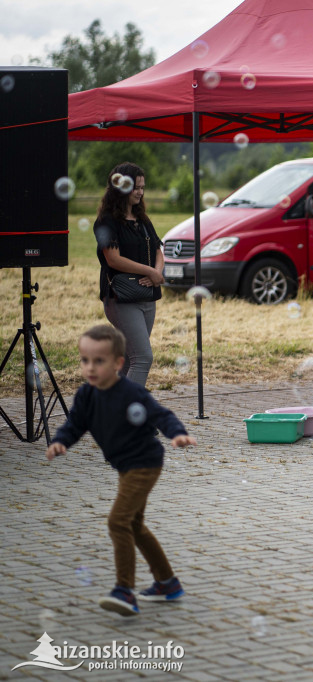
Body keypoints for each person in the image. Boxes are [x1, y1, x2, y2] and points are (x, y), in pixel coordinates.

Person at [46, 325, 197, 616]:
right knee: (134, 526)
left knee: (118, 522)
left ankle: (124, 591)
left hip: (144, 464)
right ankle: (167, 583)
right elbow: (75, 424)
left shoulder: (130, 392)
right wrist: (60, 441)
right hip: (126, 466)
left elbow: (160, 414)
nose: (90, 367)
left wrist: (176, 433)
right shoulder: (86, 395)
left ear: (117, 363)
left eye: (99, 361)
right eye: (84, 360)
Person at [94, 162, 163, 387]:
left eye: (142, 187)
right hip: (120, 298)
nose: (140, 192)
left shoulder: (142, 219)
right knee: (143, 358)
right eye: (135, 187)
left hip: (146, 296)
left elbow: (158, 249)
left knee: (128, 362)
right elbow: (113, 259)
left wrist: (157, 273)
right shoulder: (106, 221)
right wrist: (149, 271)